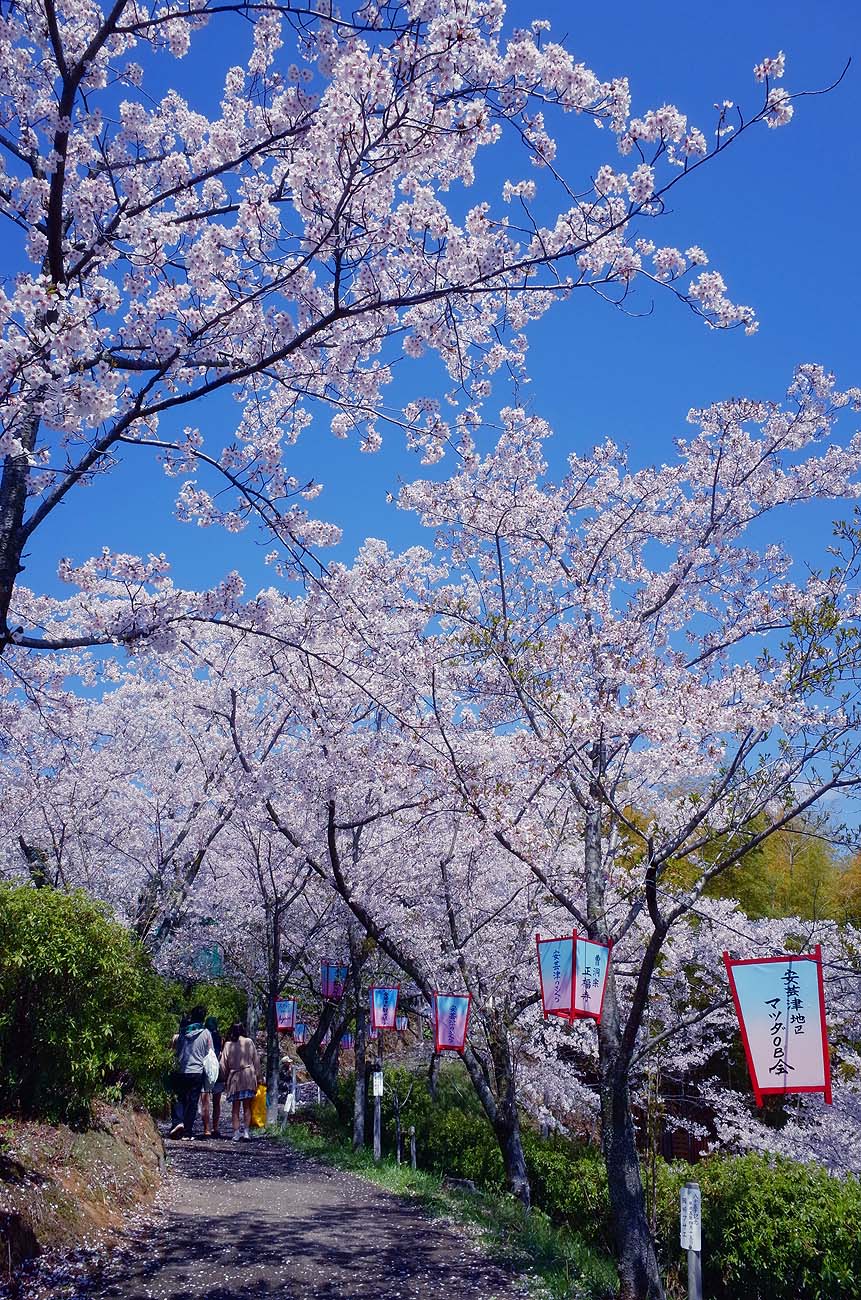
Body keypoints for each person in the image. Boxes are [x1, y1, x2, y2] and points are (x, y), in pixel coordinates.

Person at [168, 1005, 214, 1141]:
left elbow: (175, 1049)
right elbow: (209, 1052)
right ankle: (187, 1131)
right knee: (192, 1102)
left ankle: (178, 1123)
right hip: (197, 1072)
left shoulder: (182, 1032)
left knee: (179, 1098)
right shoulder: (206, 1033)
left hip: (181, 1070)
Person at [220, 1022, 260, 1142]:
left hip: (234, 1078)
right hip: (248, 1076)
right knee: (247, 1106)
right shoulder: (249, 1042)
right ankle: (246, 1132)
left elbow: (223, 1064)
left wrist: (224, 1077)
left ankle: (236, 1132)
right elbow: (256, 1060)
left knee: (235, 1107)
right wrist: (259, 1076)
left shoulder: (228, 1045)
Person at [199, 1015, 224, 1138]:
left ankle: (206, 1128)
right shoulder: (219, 1037)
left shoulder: (203, 1035)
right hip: (217, 1070)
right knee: (217, 1102)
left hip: (205, 1070)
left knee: (205, 1100)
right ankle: (215, 1127)